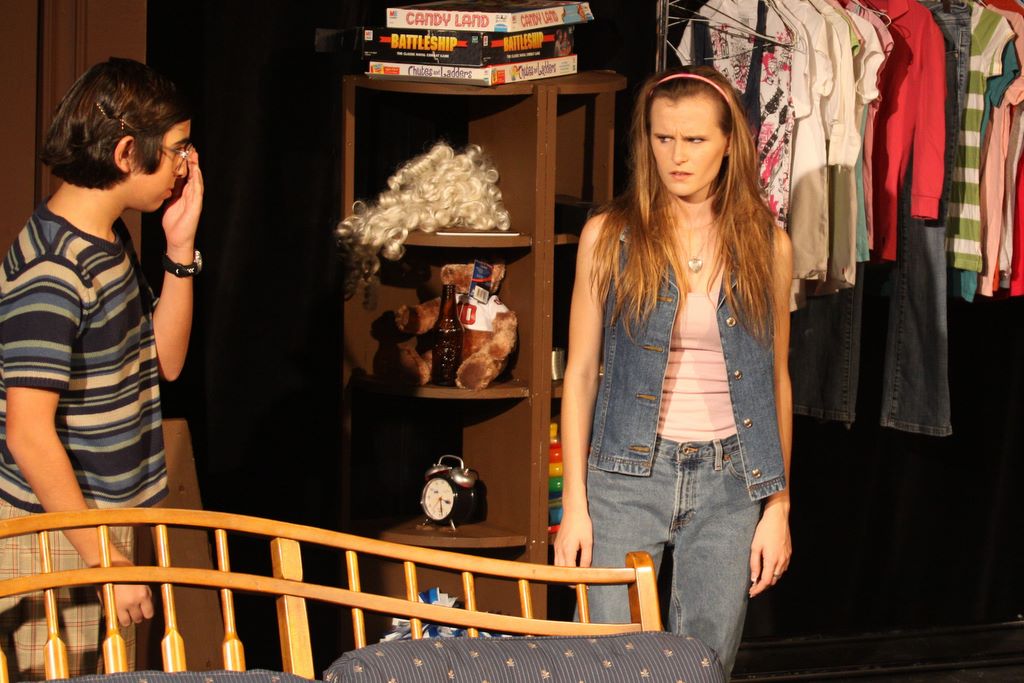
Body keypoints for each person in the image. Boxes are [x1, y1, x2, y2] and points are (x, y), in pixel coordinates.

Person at [553, 65, 793, 678]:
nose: (677, 156)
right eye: (663, 139)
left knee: (704, 665)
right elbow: (581, 373)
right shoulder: (609, 235)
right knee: (605, 663)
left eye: (694, 140)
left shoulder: (766, 244)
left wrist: (778, 506)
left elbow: (775, 381)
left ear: (728, 144)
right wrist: (573, 504)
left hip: (730, 479)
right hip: (626, 474)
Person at [0, 57, 202, 680]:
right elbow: (27, 433)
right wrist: (105, 564)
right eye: (177, 149)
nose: (186, 164)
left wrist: (179, 250)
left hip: (100, 527)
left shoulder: (107, 242)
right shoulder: (54, 271)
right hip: (54, 533)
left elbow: (165, 362)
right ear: (125, 153)